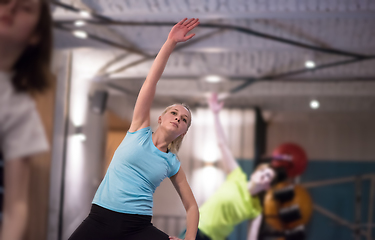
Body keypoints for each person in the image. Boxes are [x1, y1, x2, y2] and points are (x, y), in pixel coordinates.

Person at [68, 18, 200, 240]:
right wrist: (170, 43)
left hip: (137, 228)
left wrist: (189, 239)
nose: (178, 118)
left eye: (184, 119)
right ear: (160, 118)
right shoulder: (139, 129)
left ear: (184, 132)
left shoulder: (172, 163)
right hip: (100, 219)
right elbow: (151, 82)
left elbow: (192, 207)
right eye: (174, 113)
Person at [180, 93, 276, 240]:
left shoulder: (256, 210)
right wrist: (215, 114)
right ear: (255, 173)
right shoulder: (237, 176)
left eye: (269, 176)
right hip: (199, 228)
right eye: (263, 171)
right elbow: (222, 144)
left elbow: (252, 236)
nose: (265, 175)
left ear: (268, 186)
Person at [0, 0, 53, 239]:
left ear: (36, 35)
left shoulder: (18, 109)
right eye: (4, 1)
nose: (10, 8)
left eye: (25, 7)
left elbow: (16, 206)